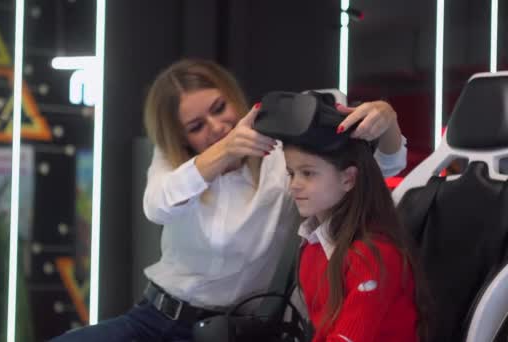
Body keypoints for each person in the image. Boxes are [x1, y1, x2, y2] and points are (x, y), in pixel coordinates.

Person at [51, 58, 407, 341]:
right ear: (182, 139)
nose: (217, 125)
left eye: (220, 107)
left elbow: (388, 161)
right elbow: (156, 206)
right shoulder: (176, 162)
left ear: (233, 95)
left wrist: (385, 118)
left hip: (234, 330)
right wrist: (223, 152)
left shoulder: (283, 154)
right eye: (196, 126)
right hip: (155, 319)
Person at [283, 137, 427, 341]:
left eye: (307, 173)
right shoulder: (312, 245)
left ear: (348, 179)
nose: (294, 185)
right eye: (291, 173)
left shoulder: (373, 255)